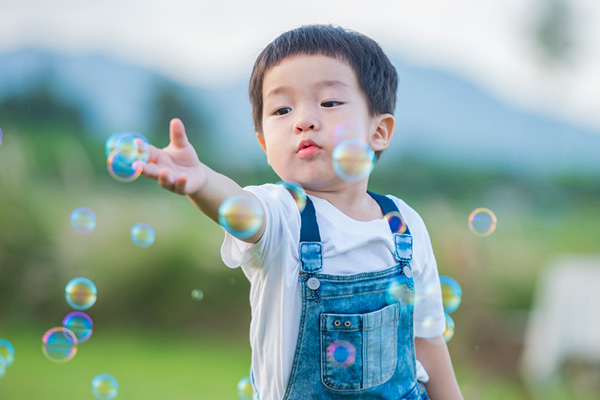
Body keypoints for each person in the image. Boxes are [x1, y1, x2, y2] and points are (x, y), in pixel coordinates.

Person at [138, 24, 463, 400]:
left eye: (328, 103)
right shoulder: (283, 214)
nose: (303, 120)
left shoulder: (403, 224)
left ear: (379, 132)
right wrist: (202, 181)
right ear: (263, 142)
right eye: (281, 109)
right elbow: (241, 209)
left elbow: (426, 338)